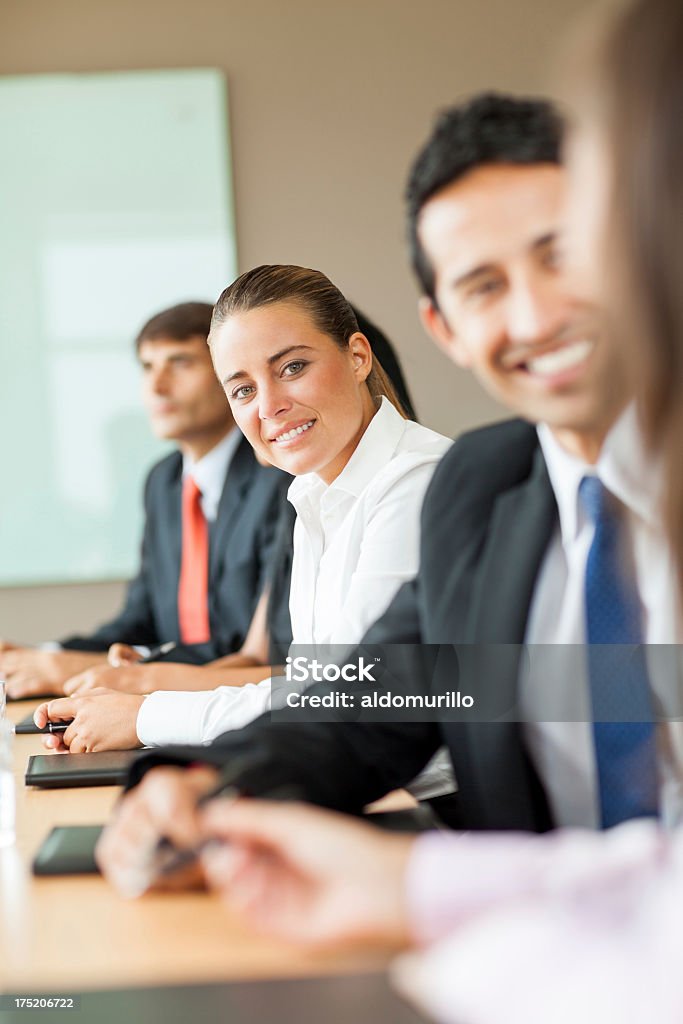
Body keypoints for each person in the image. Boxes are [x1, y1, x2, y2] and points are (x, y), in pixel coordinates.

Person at [107, 5, 683, 1023]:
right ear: (441, 328)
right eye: (481, 284)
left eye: (561, 255)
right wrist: (215, 789)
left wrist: (417, 888)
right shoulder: (488, 486)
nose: (533, 316)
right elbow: (376, 692)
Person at [37, 267, 453, 774]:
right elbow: (309, 687)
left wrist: (147, 715)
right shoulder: (314, 497)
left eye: (293, 367)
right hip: (361, 781)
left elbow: (351, 697)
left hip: (437, 806)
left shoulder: (417, 481)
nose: (270, 406)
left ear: (358, 356)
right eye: (243, 390)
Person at [0, 302, 287, 699]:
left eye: (180, 363)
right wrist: (46, 655)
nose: (157, 387)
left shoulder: (278, 473)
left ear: (230, 374)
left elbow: (254, 651)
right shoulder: (164, 482)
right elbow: (140, 622)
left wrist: (84, 669)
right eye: (148, 367)